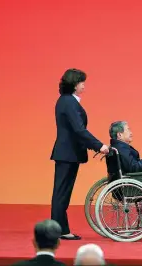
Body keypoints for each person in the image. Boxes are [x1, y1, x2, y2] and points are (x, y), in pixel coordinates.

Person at [50, 68, 109, 240]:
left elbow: (77, 131)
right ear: (75, 84)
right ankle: (60, 230)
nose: (84, 85)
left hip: (67, 152)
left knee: (62, 193)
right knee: (61, 193)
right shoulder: (68, 102)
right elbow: (79, 130)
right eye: (82, 82)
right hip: (67, 153)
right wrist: (99, 146)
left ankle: (59, 229)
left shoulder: (67, 101)